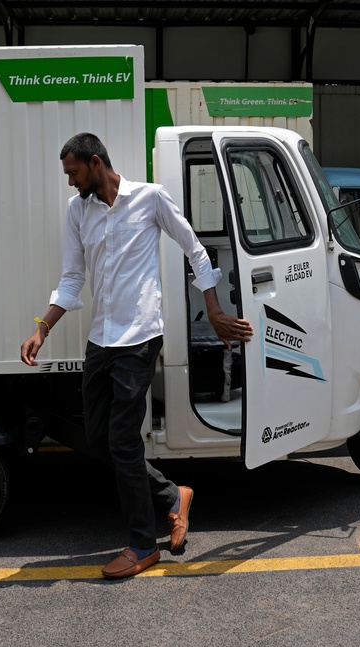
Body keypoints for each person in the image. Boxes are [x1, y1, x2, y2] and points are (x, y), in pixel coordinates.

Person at [21, 132, 254, 579]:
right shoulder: (77, 212)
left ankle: (143, 544)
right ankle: (172, 497)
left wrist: (215, 309)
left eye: (73, 172)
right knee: (97, 437)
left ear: (94, 162)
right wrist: (42, 328)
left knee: (124, 440)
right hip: (102, 340)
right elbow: (72, 278)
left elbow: (195, 249)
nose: (70, 182)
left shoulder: (149, 198)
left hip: (140, 338)